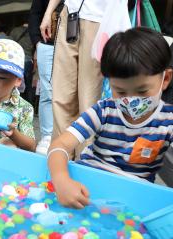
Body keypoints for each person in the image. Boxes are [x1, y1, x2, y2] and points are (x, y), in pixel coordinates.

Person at [47, 28, 173, 209]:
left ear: (166, 78)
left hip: (133, 198)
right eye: (120, 91)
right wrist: (61, 180)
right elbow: (59, 146)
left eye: (142, 91)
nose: (131, 101)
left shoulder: (168, 122)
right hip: (88, 187)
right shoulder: (104, 111)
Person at [40, 0, 109, 149]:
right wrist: (49, 12)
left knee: (88, 101)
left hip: (99, 19)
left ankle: (84, 162)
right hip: (68, 14)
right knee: (60, 97)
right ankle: (59, 157)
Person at [28, 0, 63, 155]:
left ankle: (68, 133)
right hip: (48, 42)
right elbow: (35, 13)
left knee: (72, 90)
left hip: (75, 41)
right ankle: (47, 136)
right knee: (48, 91)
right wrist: (37, 42)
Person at [10, 22, 34, 105]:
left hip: (16, 60)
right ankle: (29, 105)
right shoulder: (32, 32)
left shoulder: (15, 30)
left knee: (15, 83)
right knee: (28, 85)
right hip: (28, 60)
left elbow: (10, 44)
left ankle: (15, 103)